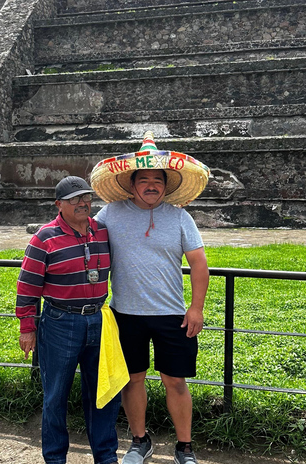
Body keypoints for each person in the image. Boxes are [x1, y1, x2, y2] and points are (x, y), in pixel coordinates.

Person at [90, 132, 211, 464]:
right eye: (143, 180)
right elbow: (83, 234)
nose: (151, 185)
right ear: (132, 185)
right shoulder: (110, 214)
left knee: (176, 380)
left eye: (157, 180)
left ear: (166, 184)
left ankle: (185, 446)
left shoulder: (180, 217)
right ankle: (139, 440)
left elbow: (199, 265)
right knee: (133, 379)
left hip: (172, 314)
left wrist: (196, 308)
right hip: (125, 313)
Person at [16, 176, 121, 464]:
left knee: (104, 393)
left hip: (99, 320)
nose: (83, 203)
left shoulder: (102, 232)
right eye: (75, 199)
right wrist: (28, 328)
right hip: (60, 323)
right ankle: (55, 459)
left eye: (86, 198)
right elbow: (27, 286)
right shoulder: (44, 238)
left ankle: (106, 456)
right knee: (55, 396)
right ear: (58, 204)